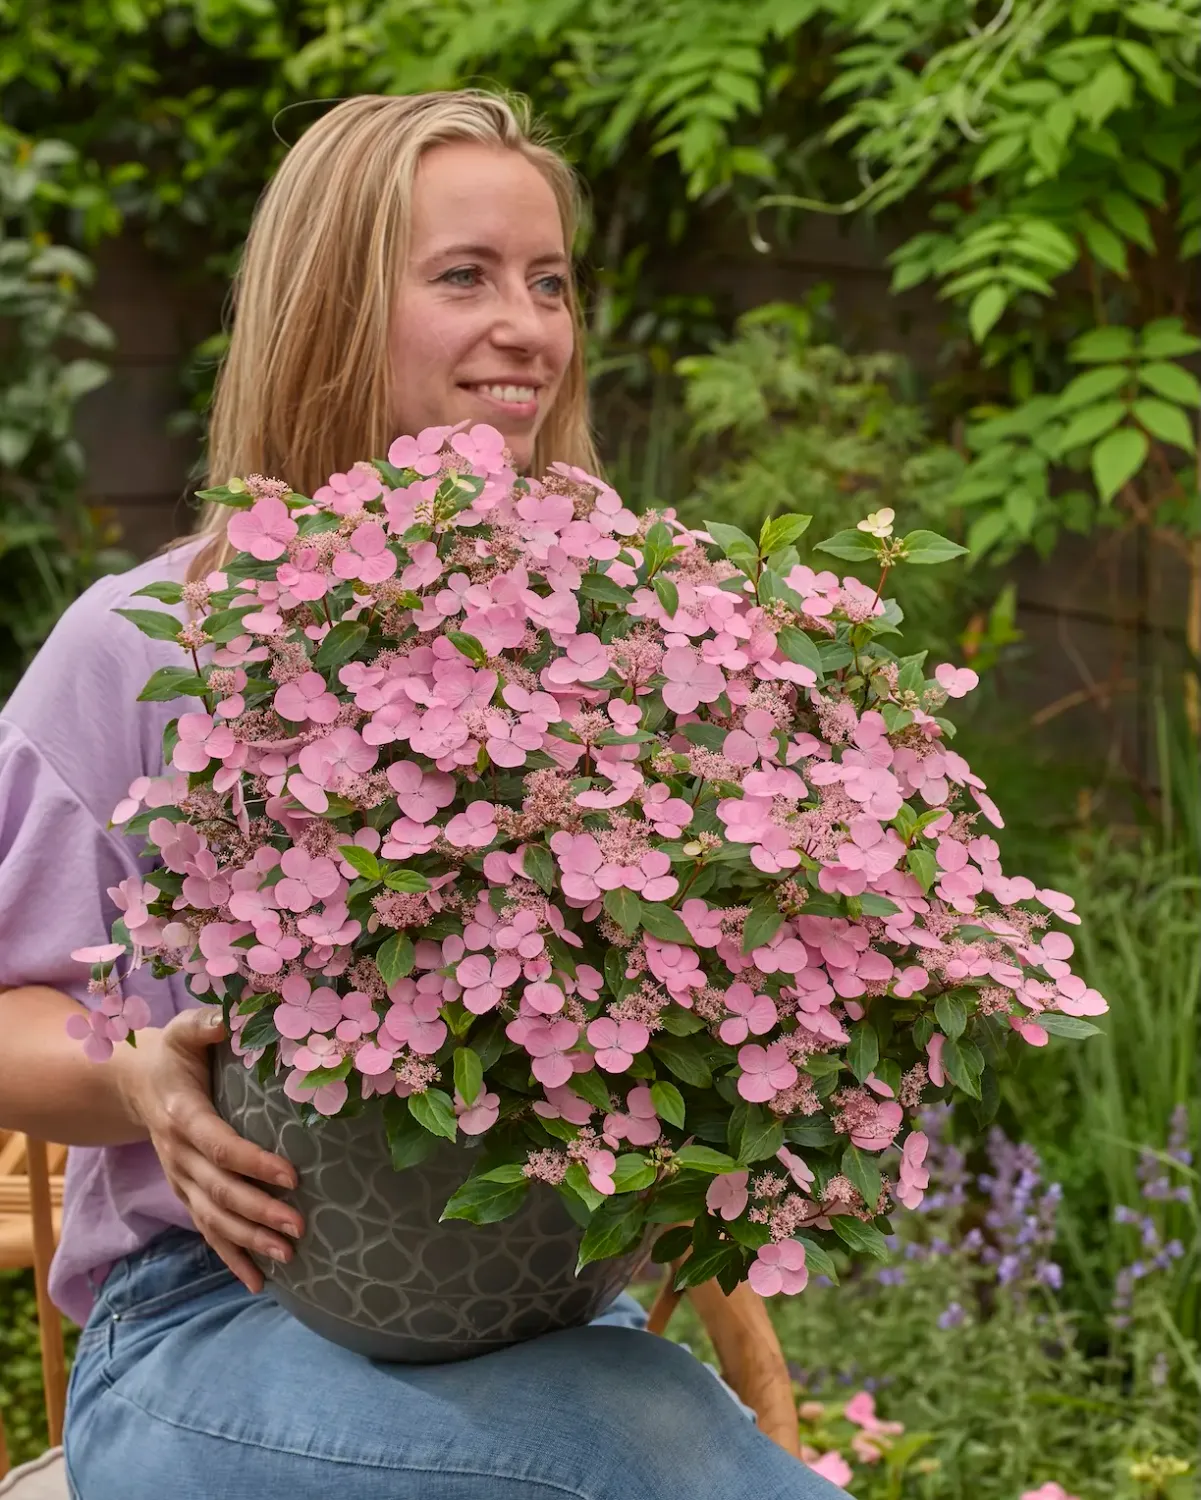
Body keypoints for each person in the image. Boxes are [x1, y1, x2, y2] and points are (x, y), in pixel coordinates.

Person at [0, 91, 847, 1500]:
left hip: (537, 1315)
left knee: (654, 1441)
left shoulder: (630, 643)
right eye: (463, 275)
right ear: (330, 307)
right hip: (207, 1324)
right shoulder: (148, 644)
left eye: (549, 280)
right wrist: (140, 1077)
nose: (528, 324)